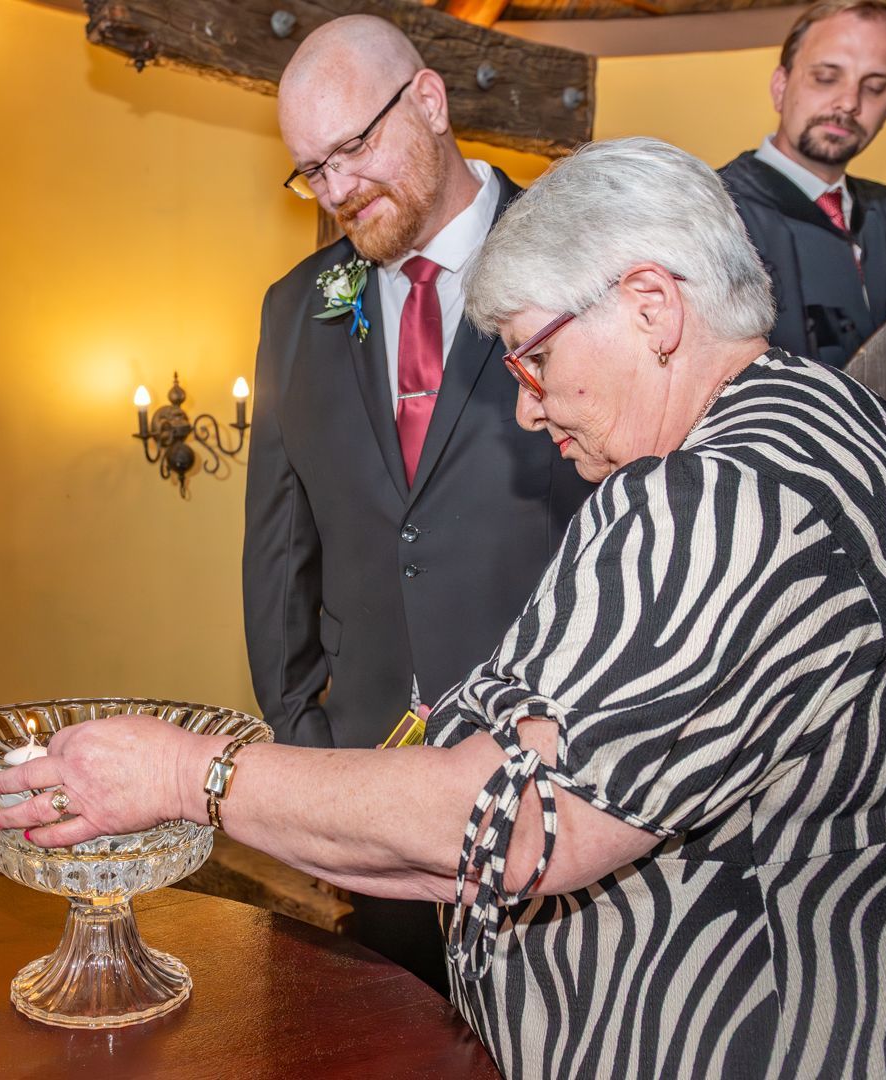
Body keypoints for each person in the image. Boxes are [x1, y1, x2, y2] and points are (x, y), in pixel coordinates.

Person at [0, 139, 886, 1078]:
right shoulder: (836, 417)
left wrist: (185, 773)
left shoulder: (713, 497)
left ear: (652, 306)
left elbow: (512, 826)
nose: (529, 410)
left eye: (538, 358)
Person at [242, 13, 592, 991]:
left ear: (429, 101)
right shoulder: (296, 309)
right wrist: (312, 759)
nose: (335, 190)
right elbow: (278, 551)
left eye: (352, 148)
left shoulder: (581, 260)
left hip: (559, 788)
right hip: (376, 794)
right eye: (311, 170)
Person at [719, 0, 886, 368]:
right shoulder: (714, 211)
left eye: (875, 86)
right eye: (827, 77)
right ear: (780, 86)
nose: (849, 102)